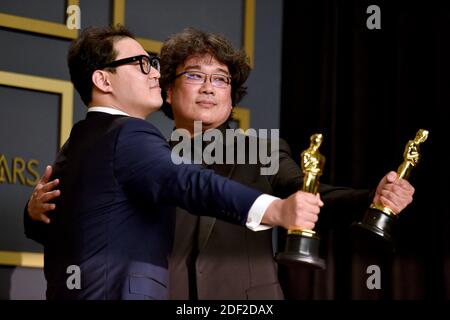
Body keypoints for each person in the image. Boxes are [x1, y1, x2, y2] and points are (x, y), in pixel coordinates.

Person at [27, 28, 415, 300]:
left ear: (233, 95)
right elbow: (98, 228)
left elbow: (310, 197)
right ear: (167, 90)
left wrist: (372, 199)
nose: (210, 87)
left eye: (222, 79)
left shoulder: (260, 150)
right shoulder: (137, 153)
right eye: (195, 75)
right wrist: (34, 215)